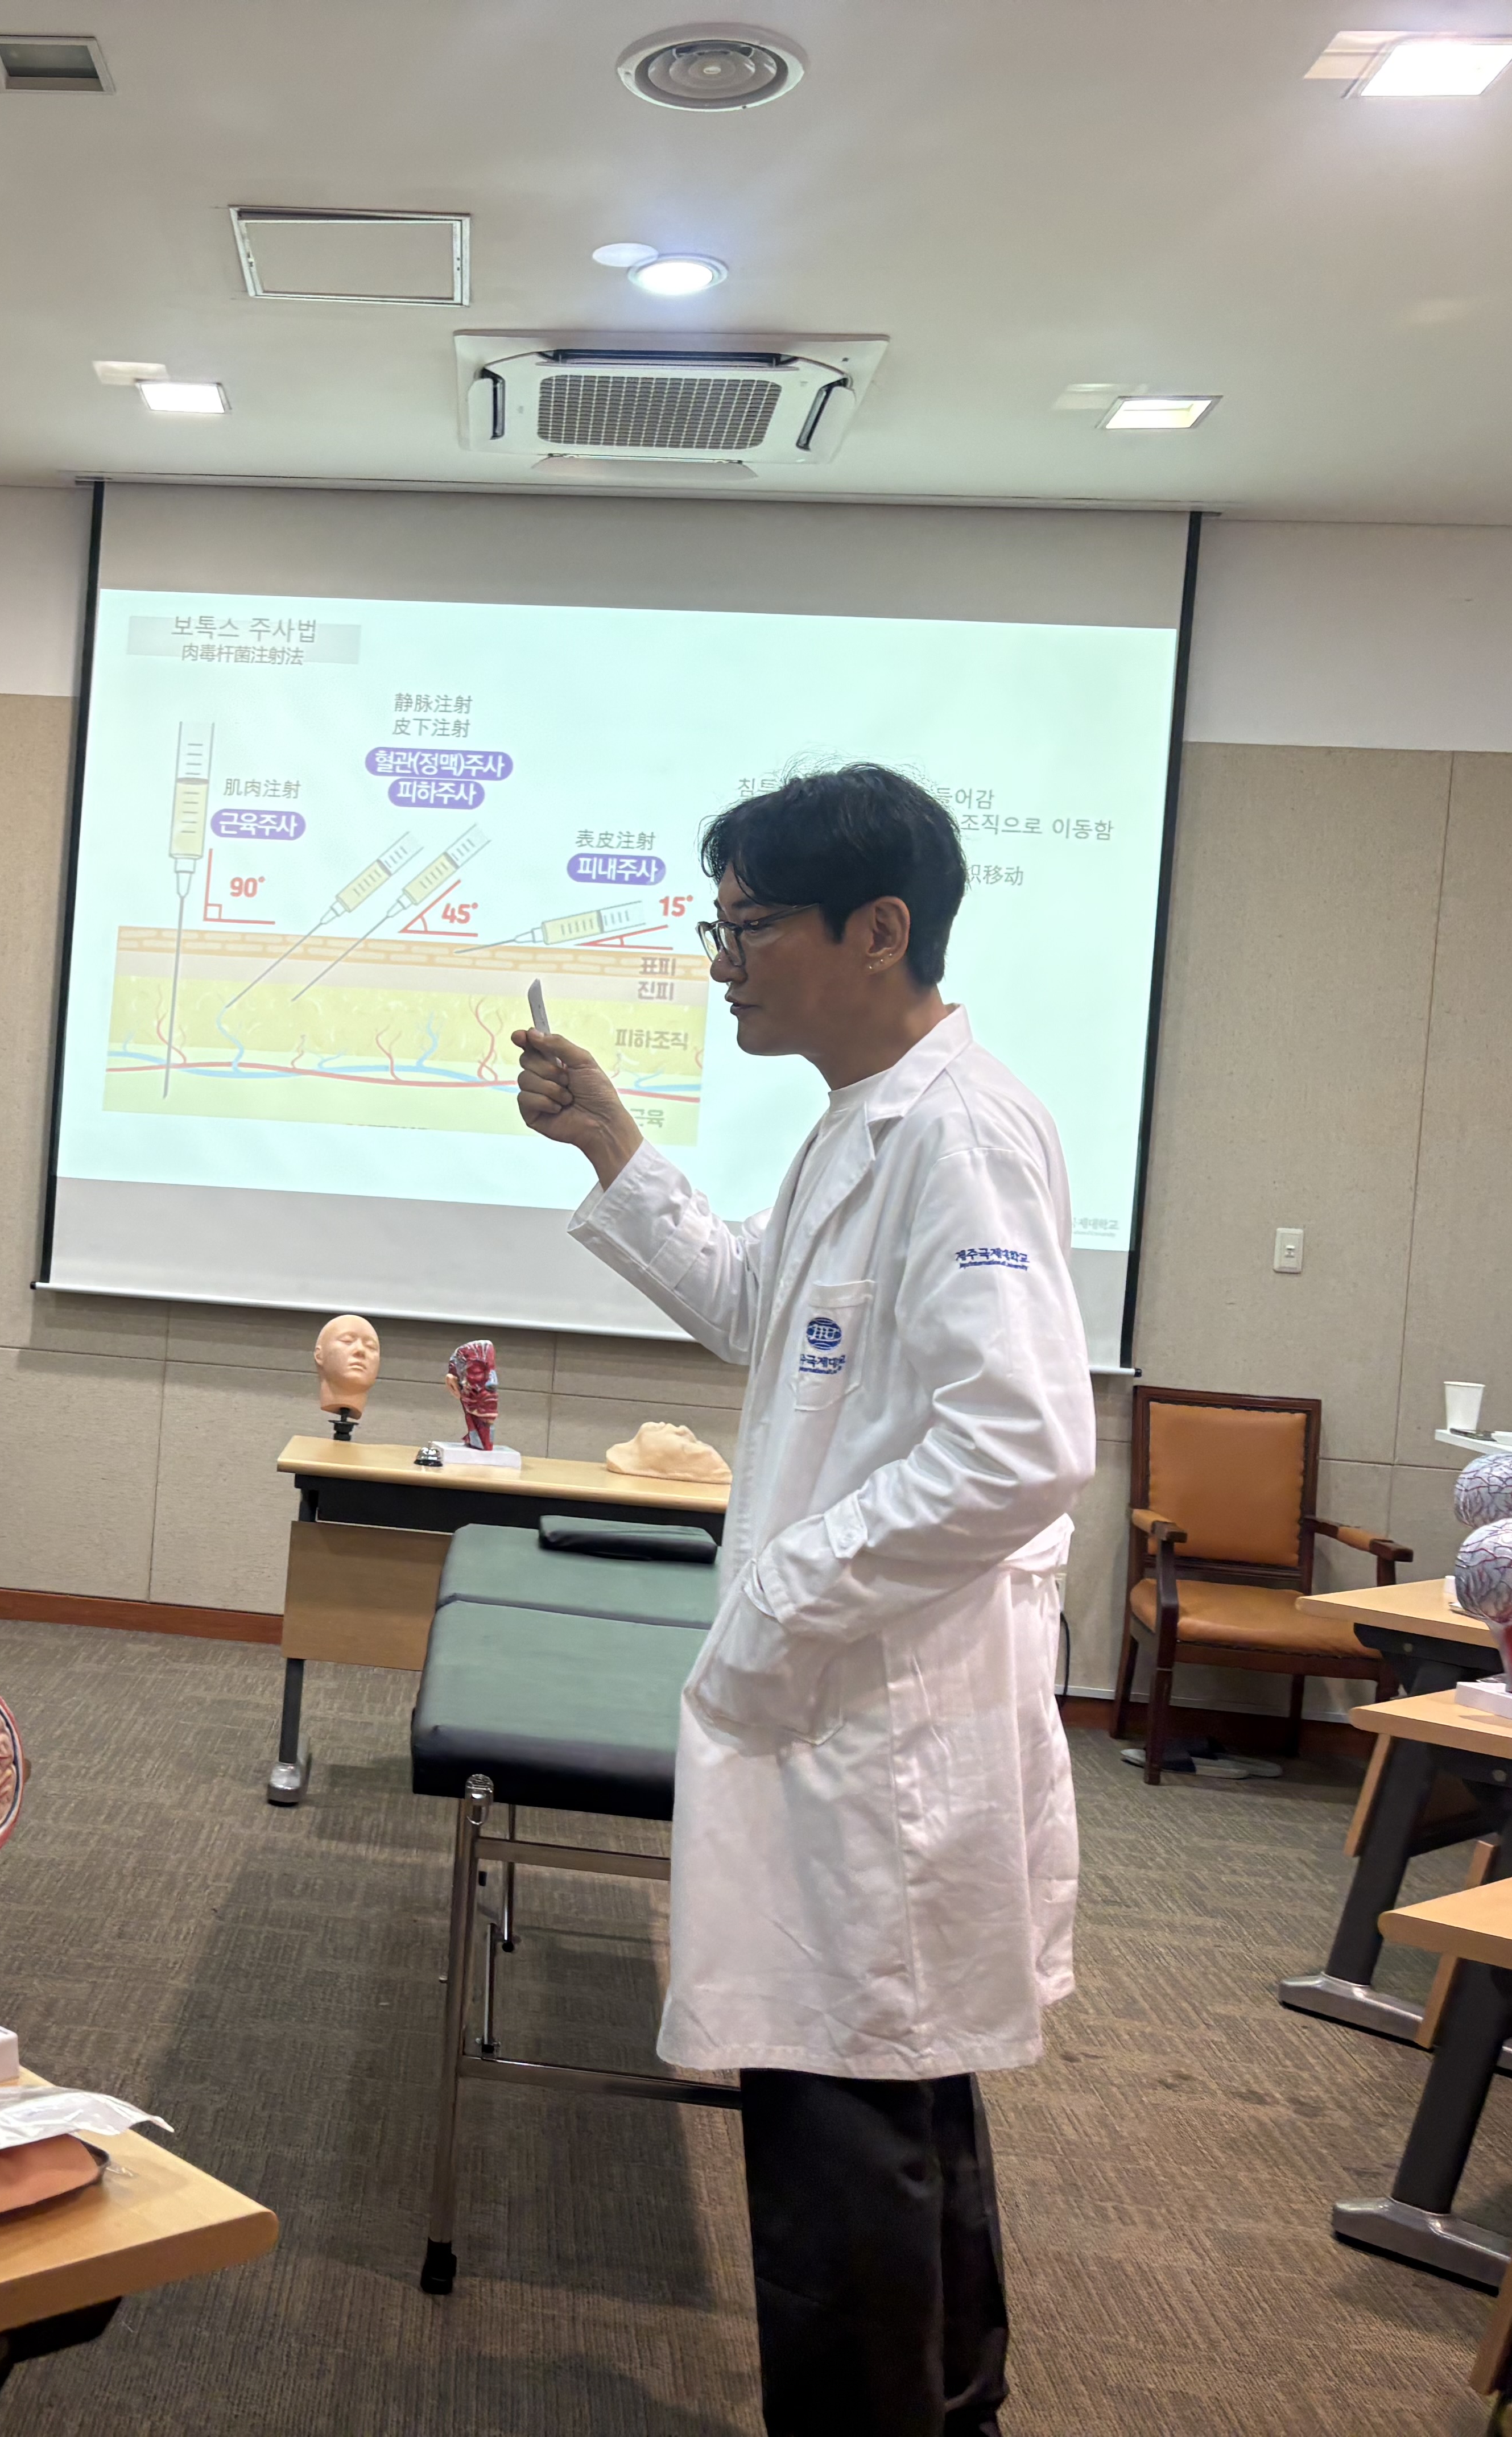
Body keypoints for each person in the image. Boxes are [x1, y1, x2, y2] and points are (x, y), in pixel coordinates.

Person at [513, 764, 1095, 2437]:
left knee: (851, 2145)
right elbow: (752, 1306)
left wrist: (784, 1591)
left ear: (878, 930)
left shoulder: (955, 1133)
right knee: (894, 2107)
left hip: (878, 1723)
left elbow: (1020, 1441)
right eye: (720, 926)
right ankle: (953, 2411)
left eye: (751, 925)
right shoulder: (865, 1117)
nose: (722, 962)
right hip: (852, 1713)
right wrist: (611, 1139)